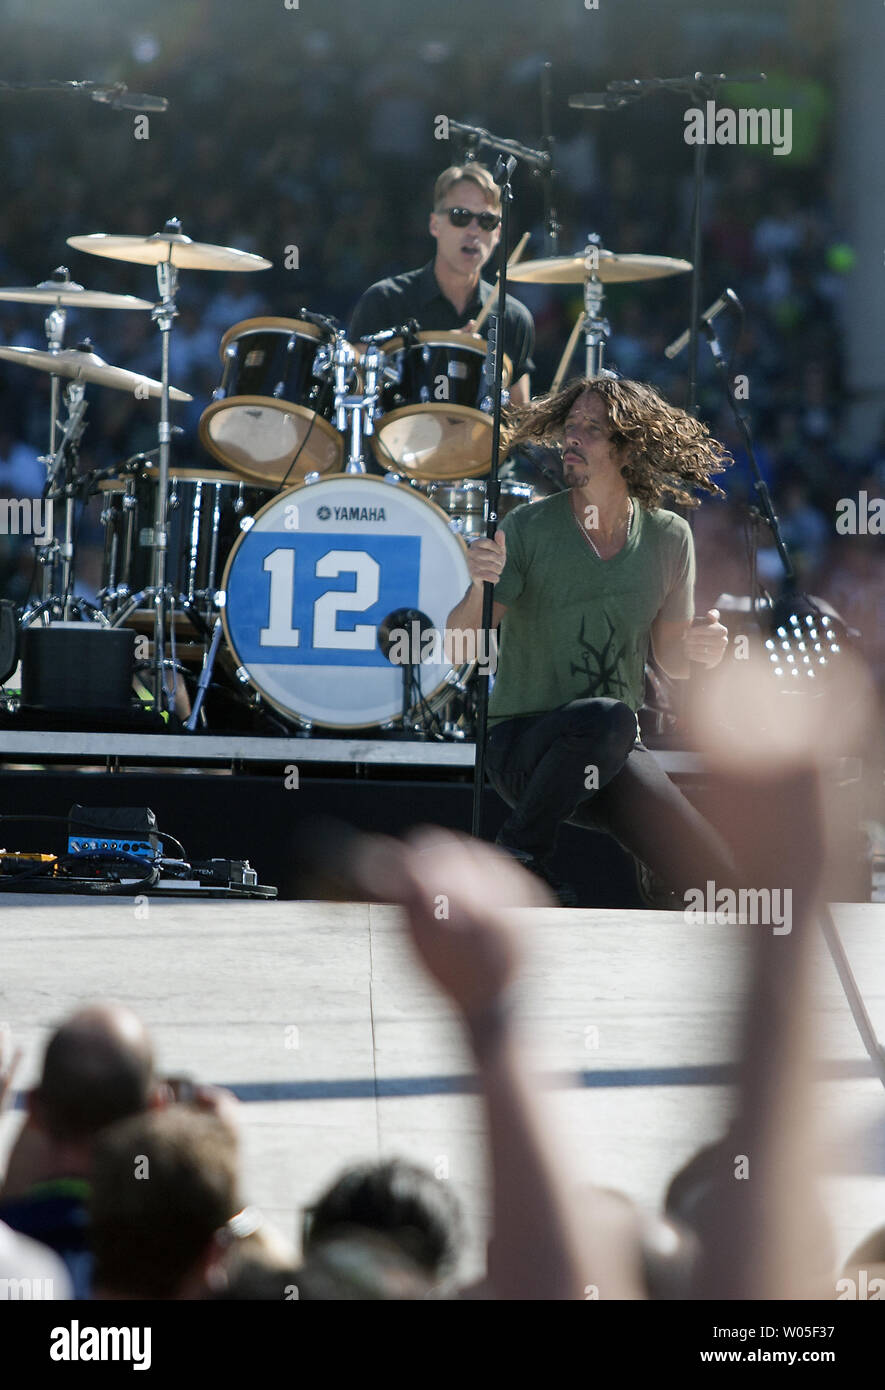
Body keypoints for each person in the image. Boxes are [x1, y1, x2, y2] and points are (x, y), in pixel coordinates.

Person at [446, 374, 735, 904]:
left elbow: (674, 662)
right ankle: (516, 853)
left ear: (628, 449)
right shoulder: (528, 527)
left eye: (592, 428)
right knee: (609, 717)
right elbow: (457, 646)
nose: (572, 437)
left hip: (613, 751)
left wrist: (700, 649)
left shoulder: (671, 537)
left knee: (722, 887)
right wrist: (478, 585)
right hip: (523, 750)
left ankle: (662, 871)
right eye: (570, 424)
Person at [349, 162, 535, 406]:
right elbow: (353, 392)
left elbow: (518, 420)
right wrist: (438, 352)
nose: (474, 231)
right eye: (461, 216)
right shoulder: (385, 301)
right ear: (435, 224)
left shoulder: (513, 318)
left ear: (498, 232)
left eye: (487, 221)